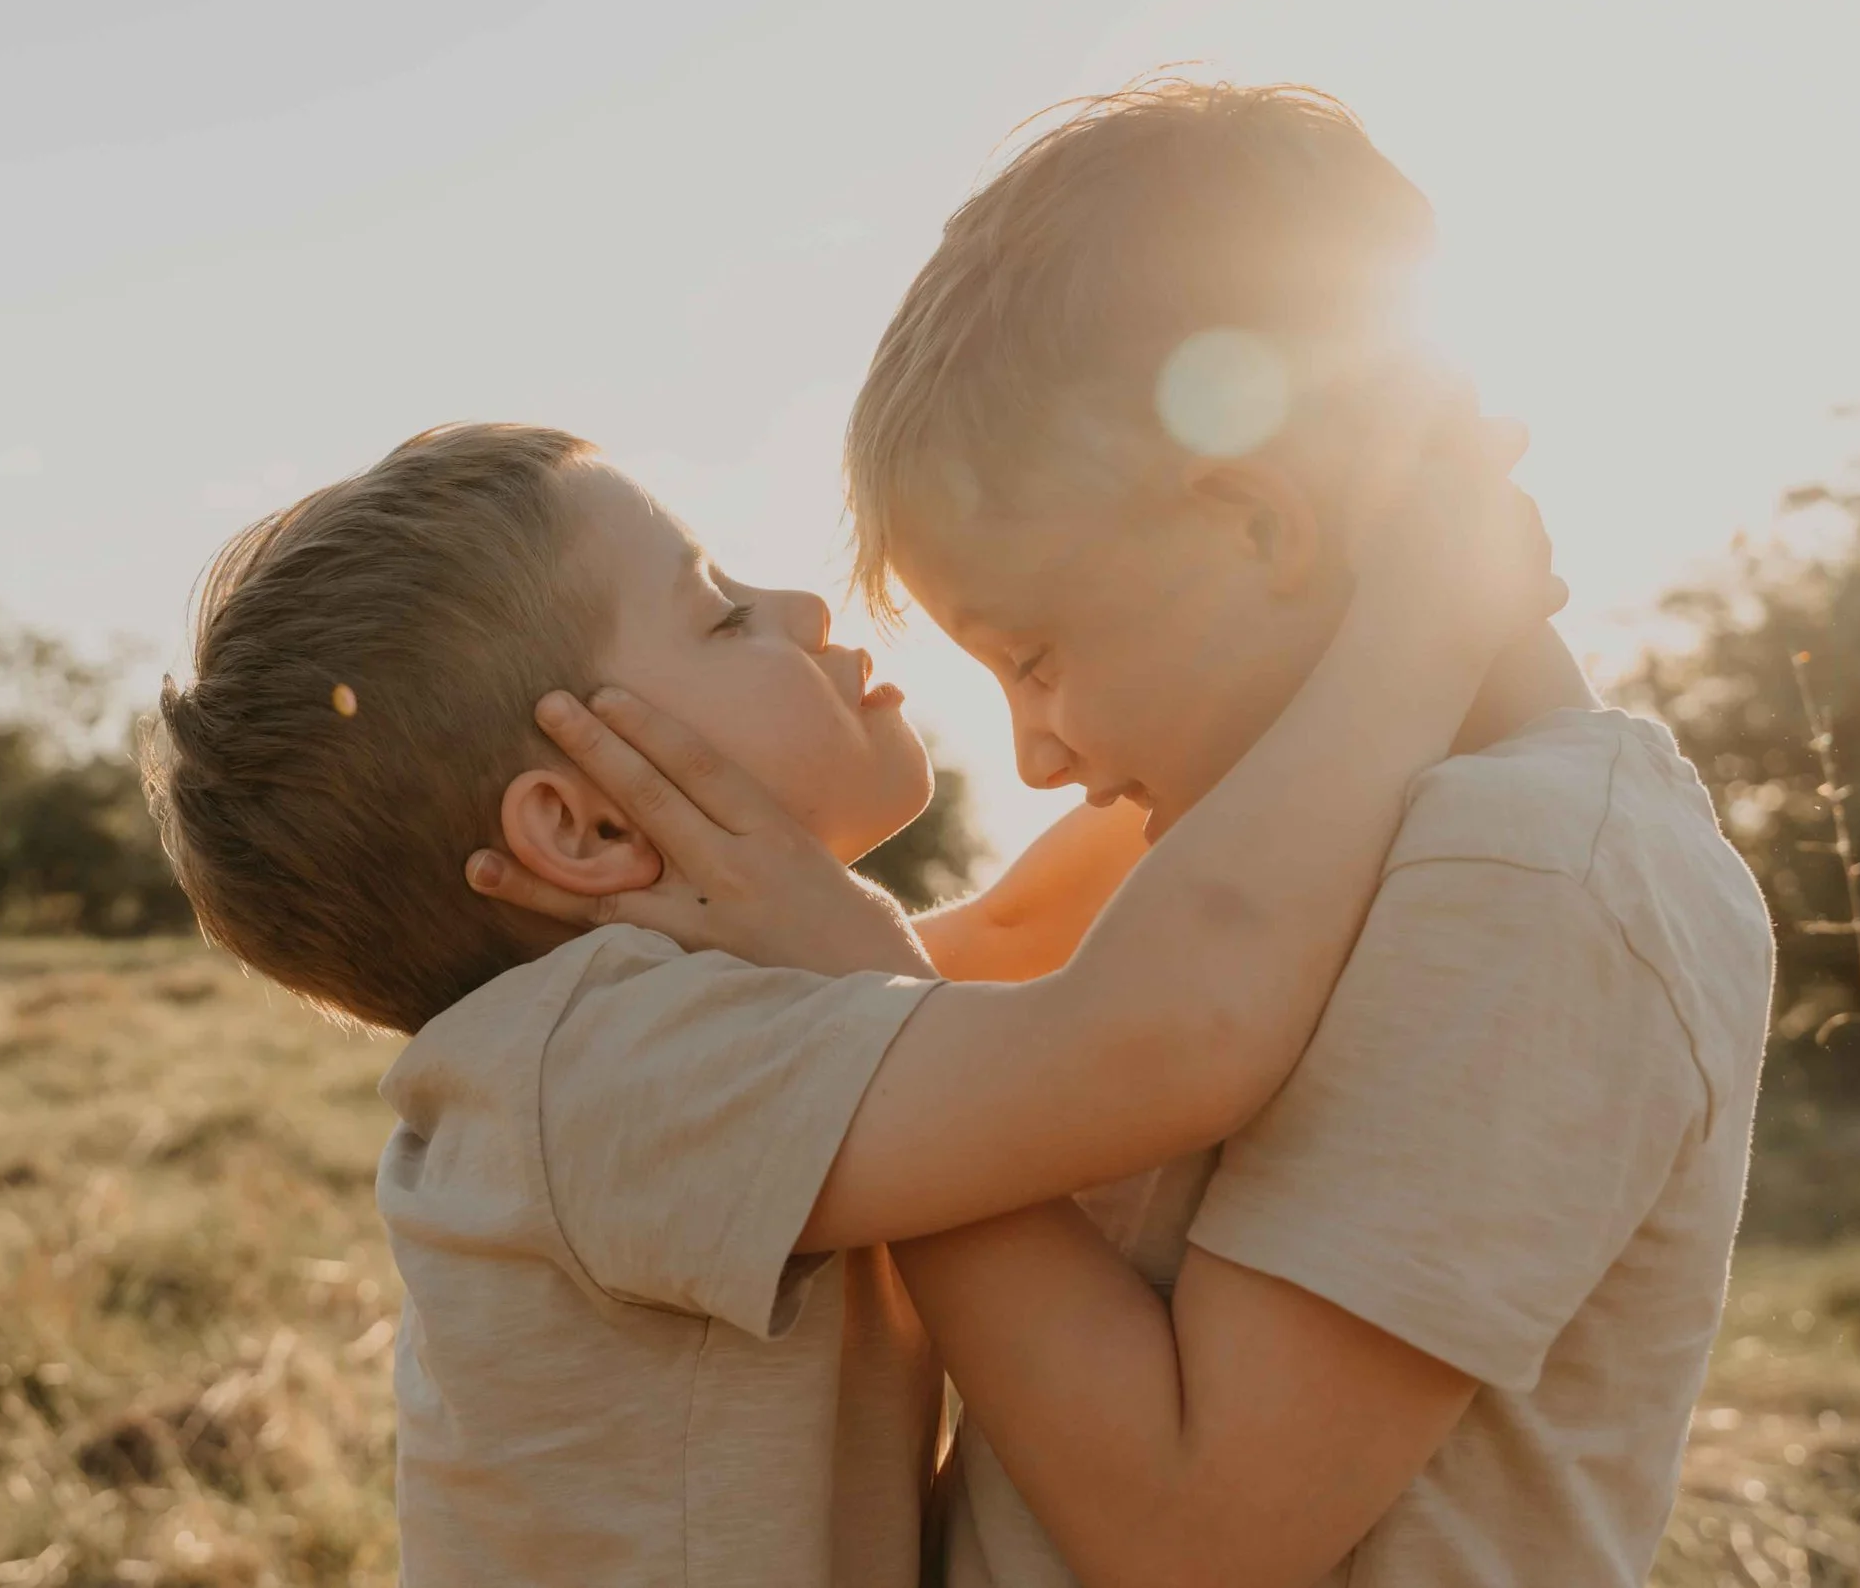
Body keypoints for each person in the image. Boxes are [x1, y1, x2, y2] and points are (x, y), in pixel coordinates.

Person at [473, 82, 1777, 1586]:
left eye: (1036, 655)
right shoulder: (1323, 848)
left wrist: (861, 1014)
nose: (1034, 754)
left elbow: (1194, 1522)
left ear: (1257, 524)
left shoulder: (1535, 878)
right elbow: (1037, 945)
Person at [144, 413, 1556, 1585]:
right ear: (579, 828)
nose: (808, 606)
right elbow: (1166, 1033)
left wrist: (1250, 679)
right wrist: (1412, 640)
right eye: (719, 612)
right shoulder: (614, 1067)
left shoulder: (645, 1036)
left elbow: (1006, 936)